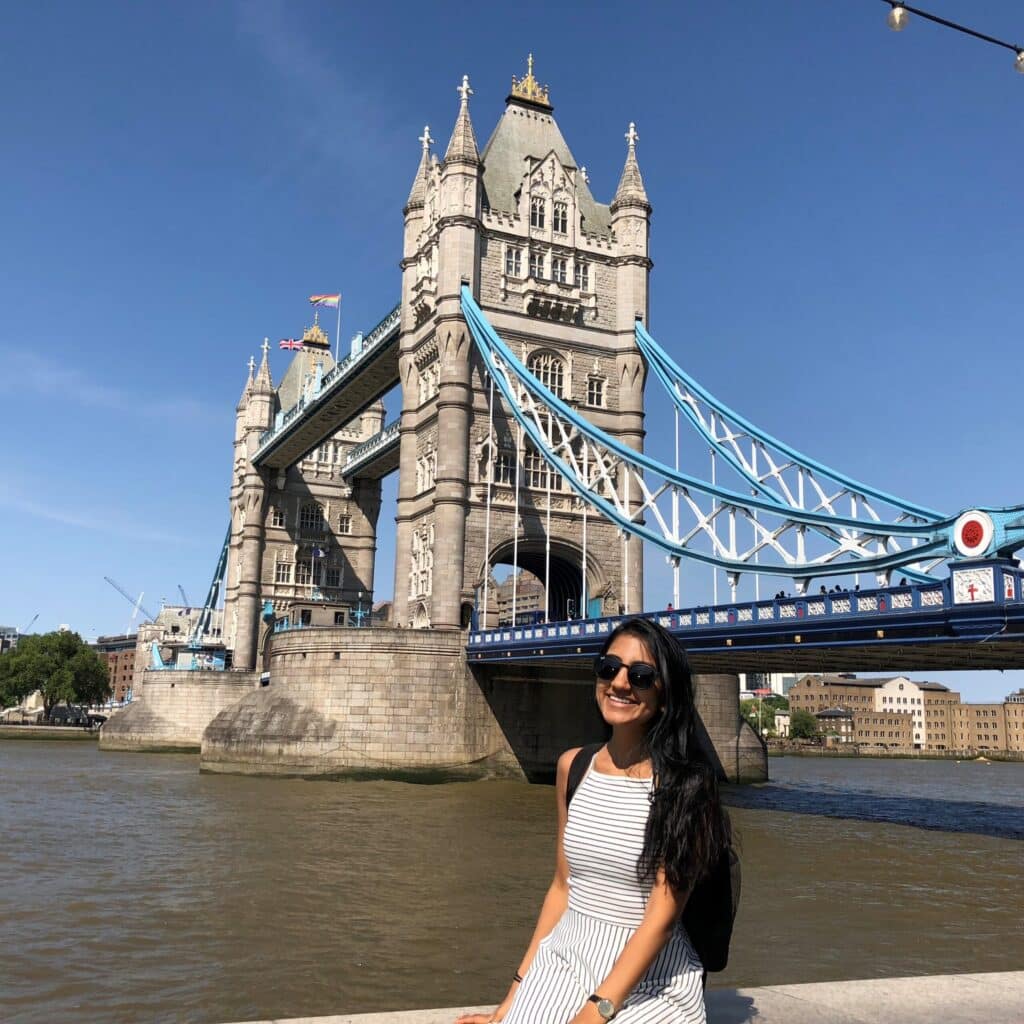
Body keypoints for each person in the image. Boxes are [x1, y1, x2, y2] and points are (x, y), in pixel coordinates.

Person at [456, 617, 732, 1024]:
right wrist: (512, 1001)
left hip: (652, 975)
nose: (620, 683)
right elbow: (562, 887)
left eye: (640, 675)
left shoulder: (687, 785)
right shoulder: (575, 766)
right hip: (565, 958)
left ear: (666, 695)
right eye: (609, 668)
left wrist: (596, 1011)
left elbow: (662, 919)